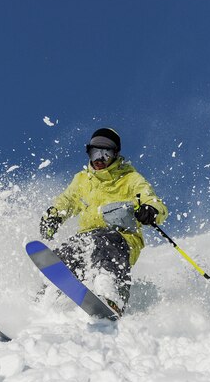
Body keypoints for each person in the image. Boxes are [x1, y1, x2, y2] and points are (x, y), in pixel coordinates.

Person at [39, 127, 168, 316]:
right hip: (87, 237)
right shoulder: (83, 179)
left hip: (122, 239)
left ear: (115, 155)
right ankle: (43, 302)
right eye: (95, 153)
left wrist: (151, 210)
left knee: (103, 243)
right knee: (67, 252)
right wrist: (54, 217)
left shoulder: (130, 178)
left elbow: (150, 199)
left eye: (105, 154)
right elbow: (67, 200)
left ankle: (110, 293)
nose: (99, 159)